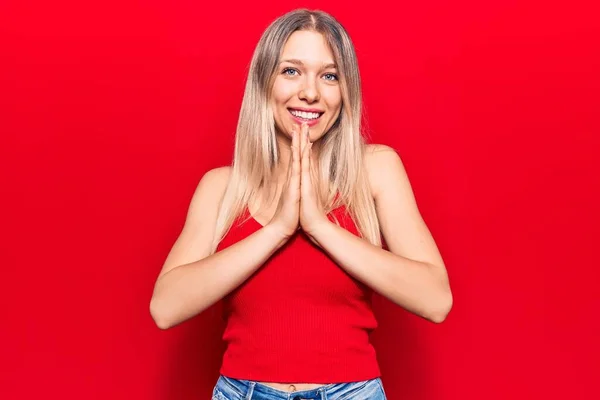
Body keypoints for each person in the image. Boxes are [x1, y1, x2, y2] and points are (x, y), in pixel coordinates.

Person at [150, 8, 453, 400]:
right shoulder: (221, 188)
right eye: (291, 71)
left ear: (345, 93)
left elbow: (435, 299)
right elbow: (165, 307)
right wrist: (277, 229)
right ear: (264, 83)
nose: (310, 92)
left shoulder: (375, 170)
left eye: (329, 76)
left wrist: (319, 226)